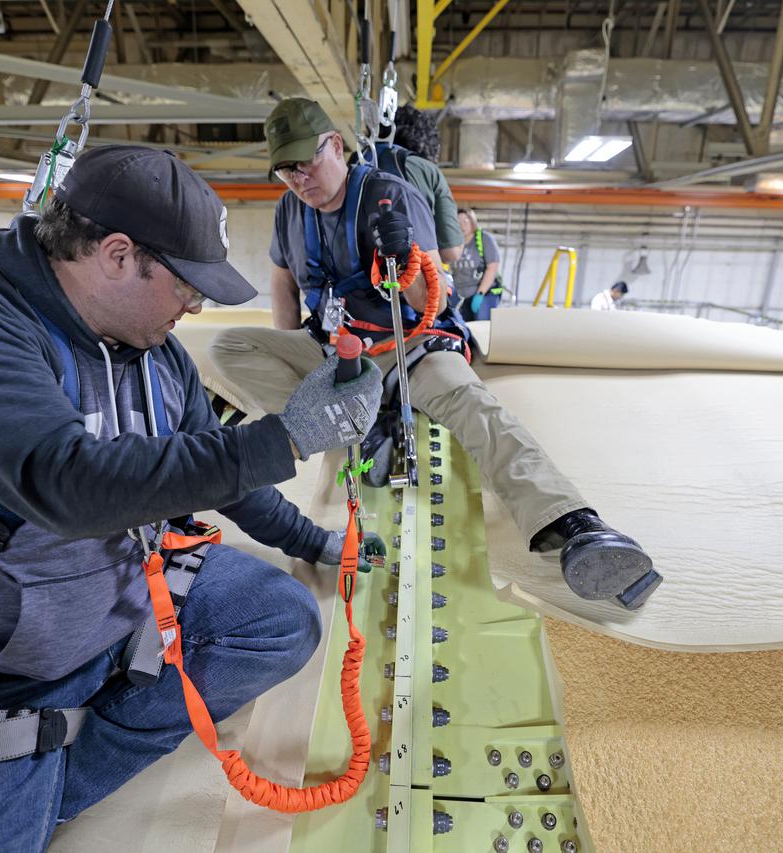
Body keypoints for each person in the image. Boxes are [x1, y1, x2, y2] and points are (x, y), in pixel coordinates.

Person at [0, 145, 383, 851]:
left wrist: (318, 541)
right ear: (118, 255)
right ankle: (28, 759)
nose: (196, 304)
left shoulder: (155, 351)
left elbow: (217, 469)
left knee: (283, 619)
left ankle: (56, 772)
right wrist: (288, 437)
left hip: (127, 597)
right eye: (187, 284)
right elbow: (65, 485)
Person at [210, 97, 661, 614]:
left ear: (334, 144)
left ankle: (574, 525)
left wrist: (402, 258)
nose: (298, 178)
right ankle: (357, 427)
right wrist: (305, 367)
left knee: (474, 406)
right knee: (231, 346)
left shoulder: (390, 197)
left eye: (306, 161)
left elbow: (436, 300)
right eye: (286, 169)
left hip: (410, 346)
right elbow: (282, 284)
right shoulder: (289, 211)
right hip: (337, 348)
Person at [365, 104, 463, 265]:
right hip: (407, 274)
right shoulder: (426, 169)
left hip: (350, 274)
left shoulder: (356, 163)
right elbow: (450, 252)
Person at [453, 207, 503, 321]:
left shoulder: (485, 239)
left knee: (481, 322)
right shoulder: (453, 242)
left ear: (472, 222)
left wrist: (480, 294)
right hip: (460, 295)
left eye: (465, 221)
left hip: (483, 292)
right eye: (458, 222)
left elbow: (492, 267)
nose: (462, 225)